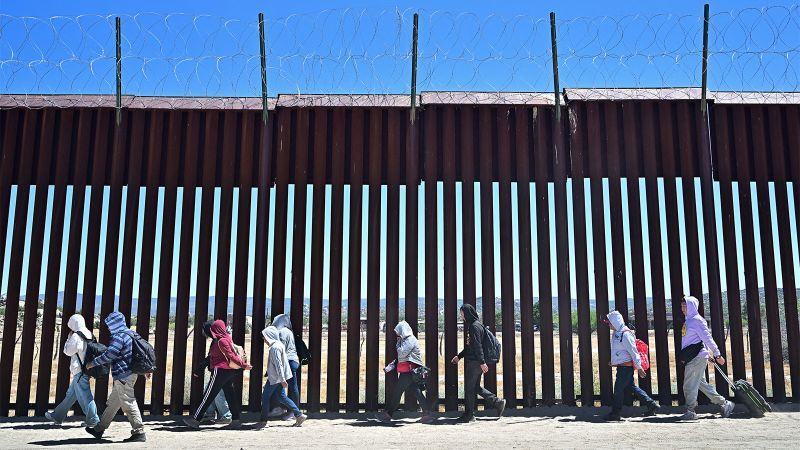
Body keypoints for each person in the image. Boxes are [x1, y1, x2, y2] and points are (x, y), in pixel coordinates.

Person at [84, 312, 147, 443]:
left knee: (128, 402)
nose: (108, 328)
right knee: (113, 403)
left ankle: (139, 432)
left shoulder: (119, 336)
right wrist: (145, 370)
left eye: (109, 325)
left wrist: (93, 363)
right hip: (130, 374)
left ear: (114, 324)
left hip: (123, 374)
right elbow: (139, 353)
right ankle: (99, 429)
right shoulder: (131, 334)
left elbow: (110, 354)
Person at [183, 320, 251, 429]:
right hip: (228, 371)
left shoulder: (220, 341)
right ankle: (236, 419)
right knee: (230, 395)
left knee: (208, 395)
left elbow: (230, 355)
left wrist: (243, 365)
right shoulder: (227, 337)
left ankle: (196, 420)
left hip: (219, 370)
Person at [678, 296, 735, 420]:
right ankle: (724, 403)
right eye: (682, 306)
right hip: (695, 357)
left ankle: (691, 411)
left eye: (685, 305)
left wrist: (717, 354)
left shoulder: (697, 320)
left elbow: (707, 338)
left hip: (696, 358)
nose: (682, 308)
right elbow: (697, 340)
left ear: (692, 306)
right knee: (701, 385)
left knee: (688, 385)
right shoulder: (689, 320)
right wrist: (706, 353)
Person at [450, 304, 506, 423]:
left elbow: (477, 346)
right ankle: (497, 402)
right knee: (474, 387)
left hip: (475, 362)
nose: (462, 316)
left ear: (467, 313)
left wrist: (482, 362)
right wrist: (459, 357)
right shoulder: (477, 325)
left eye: (462, 313)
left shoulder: (474, 327)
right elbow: (470, 347)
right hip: (477, 362)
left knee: (469, 388)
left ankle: (469, 415)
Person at [603, 311, 660, 421]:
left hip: (625, 368)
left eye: (609, 322)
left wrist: (639, 368)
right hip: (623, 367)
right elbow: (620, 352)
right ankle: (651, 404)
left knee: (618, 390)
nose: (608, 324)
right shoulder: (617, 333)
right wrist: (614, 362)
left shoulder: (625, 334)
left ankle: (615, 413)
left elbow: (633, 352)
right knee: (632, 387)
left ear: (615, 321)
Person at [45, 314, 100, 427]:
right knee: (71, 395)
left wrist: (68, 338)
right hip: (87, 368)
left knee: (86, 396)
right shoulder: (89, 333)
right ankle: (57, 416)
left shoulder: (76, 335)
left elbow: (68, 351)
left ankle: (94, 420)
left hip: (79, 370)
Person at [375, 321, 434, 423]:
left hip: (409, 371)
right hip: (410, 371)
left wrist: (398, 343)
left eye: (398, 332)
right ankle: (426, 415)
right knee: (416, 392)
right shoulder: (405, 340)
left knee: (397, 392)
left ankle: (388, 415)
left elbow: (402, 353)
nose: (397, 334)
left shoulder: (410, 340)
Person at [255, 326, 307, 429]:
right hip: (277, 377)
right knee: (282, 397)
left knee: (265, 397)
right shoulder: (279, 345)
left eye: (264, 337)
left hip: (275, 378)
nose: (264, 340)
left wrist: (282, 379)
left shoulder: (274, 347)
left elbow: (279, 364)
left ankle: (263, 420)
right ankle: (299, 414)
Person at [192, 320, 232, 425]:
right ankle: (210, 415)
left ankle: (226, 415)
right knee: (209, 391)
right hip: (219, 371)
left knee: (218, 394)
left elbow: (212, 356)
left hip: (221, 371)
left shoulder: (220, 340)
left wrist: (200, 368)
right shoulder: (217, 339)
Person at [272, 313, 301, 414]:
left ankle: (292, 411)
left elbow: (280, 348)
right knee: (292, 387)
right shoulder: (289, 331)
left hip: (287, 360)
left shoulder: (281, 332)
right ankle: (292, 411)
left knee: (281, 386)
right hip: (293, 360)